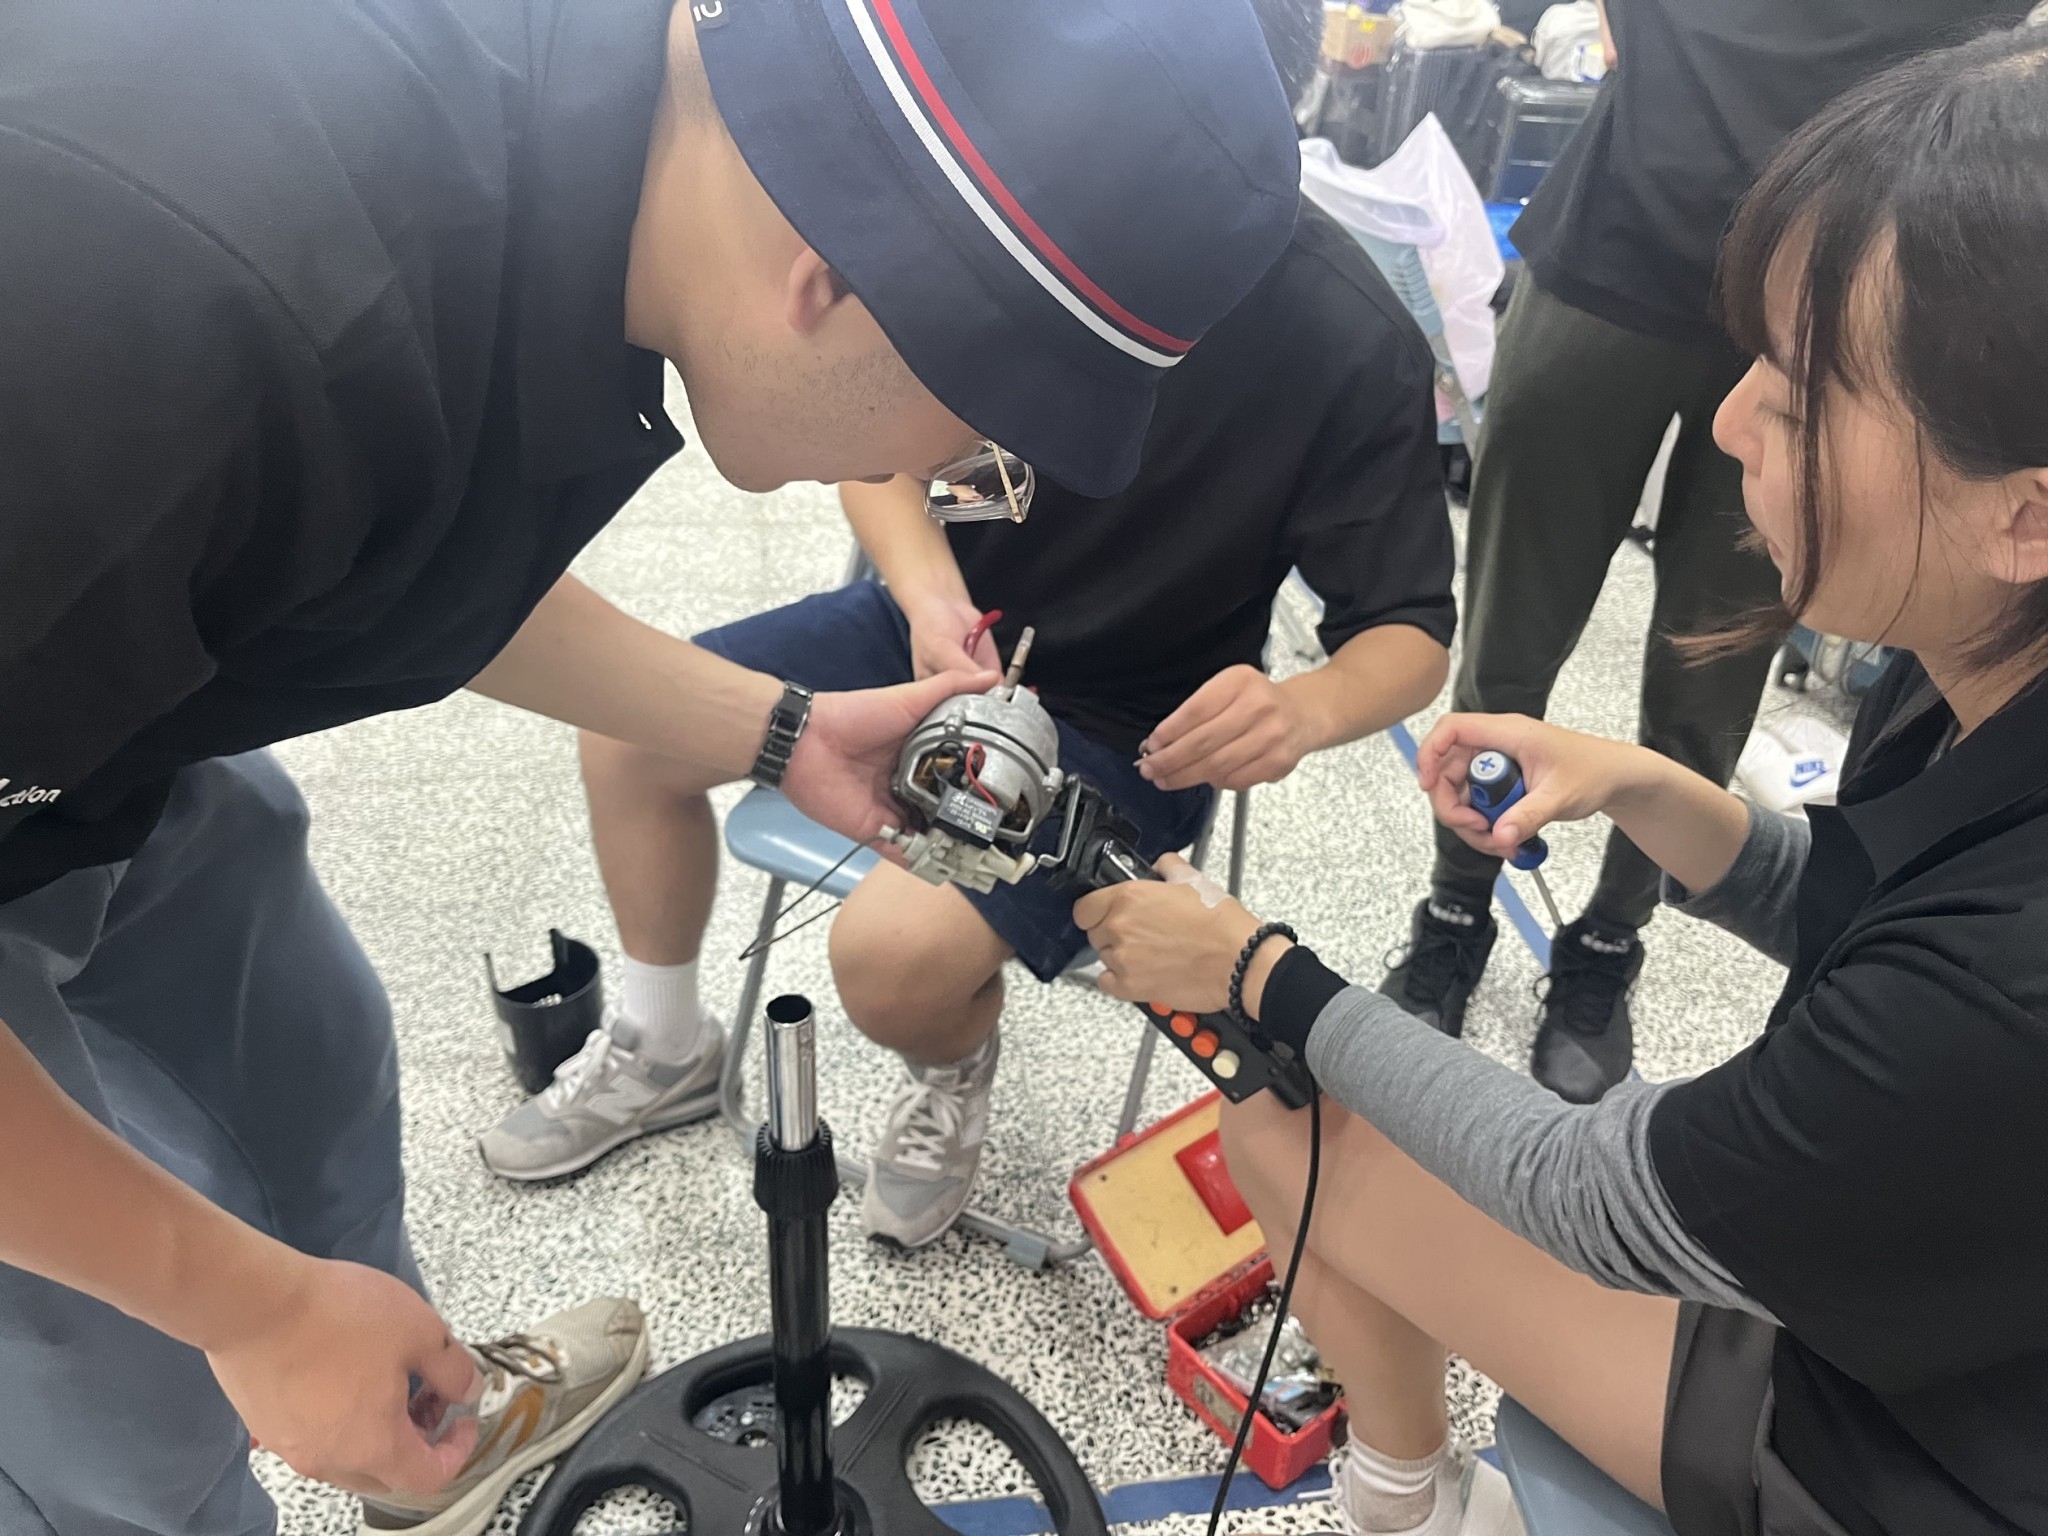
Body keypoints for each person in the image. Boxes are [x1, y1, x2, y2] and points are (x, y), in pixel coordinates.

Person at [0, 0, 1301, 1530]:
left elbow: (392, 544)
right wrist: (238, 1308)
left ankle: (405, 1405)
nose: (953, 481)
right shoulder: (172, 306)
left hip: (113, 725)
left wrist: (779, 731)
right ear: (835, 276)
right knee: (104, 1361)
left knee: (309, 1051)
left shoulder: (571, 172)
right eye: (975, 433)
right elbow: (272, 418)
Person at [1077, 26, 2048, 1536]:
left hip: (1911, 1451)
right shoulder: (1982, 659)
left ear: (2025, 513)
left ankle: (1408, 1502)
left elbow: (1596, 1195)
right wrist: (1651, 784)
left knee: (1281, 1117)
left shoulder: (2003, 982)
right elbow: (1878, 894)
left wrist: (1262, 973)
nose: (1723, 426)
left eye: (1797, 398)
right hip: (1920, 1270)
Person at [482, 195, 1457, 1254]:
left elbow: (1408, 633)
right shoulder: (1010, 207)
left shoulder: (1344, 338)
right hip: (936, 621)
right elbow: (881, 465)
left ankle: (950, 1073)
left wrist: (1300, 709)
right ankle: (665, 1040)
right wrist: (928, 593)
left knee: (890, 960)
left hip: (1130, 722)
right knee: (629, 728)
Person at [1380, 0, 2029, 1104]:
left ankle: (1604, 949)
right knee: (1507, 641)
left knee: (1710, 673)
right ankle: (1454, 907)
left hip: (1845, 312)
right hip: (1613, 248)